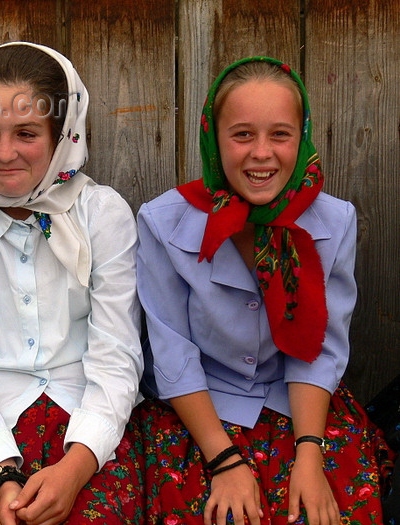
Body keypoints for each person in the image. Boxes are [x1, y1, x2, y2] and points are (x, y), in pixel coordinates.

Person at [135, 57, 395, 525]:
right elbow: (171, 354)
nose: (261, 153)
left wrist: (309, 455)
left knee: (330, 507)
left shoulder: (333, 222)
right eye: (241, 135)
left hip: (299, 406)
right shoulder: (164, 222)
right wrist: (225, 462)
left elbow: (319, 347)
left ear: (303, 137)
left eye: (280, 134)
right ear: (213, 140)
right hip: (199, 412)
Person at [0, 42, 144, 525]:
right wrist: (0, 472)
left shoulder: (102, 216)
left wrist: (76, 467)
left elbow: (117, 356)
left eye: (27, 133)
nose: (4, 152)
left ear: (63, 135)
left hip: (88, 420)